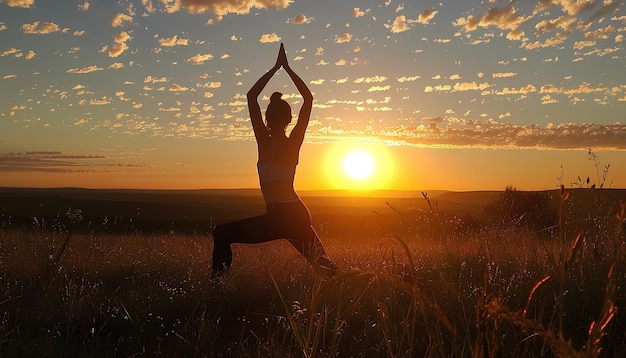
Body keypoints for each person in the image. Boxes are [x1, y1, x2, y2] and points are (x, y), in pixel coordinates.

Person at [211, 43, 338, 280]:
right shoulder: (293, 142)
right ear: (289, 118)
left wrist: (275, 68)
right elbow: (308, 99)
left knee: (221, 234)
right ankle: (359, 285)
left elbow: (251, 96)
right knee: (325, 266)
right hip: (296, 215)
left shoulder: (263, 141)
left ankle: (217, 285)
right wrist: (287, 69)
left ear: (267, 118)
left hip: (280, 216)